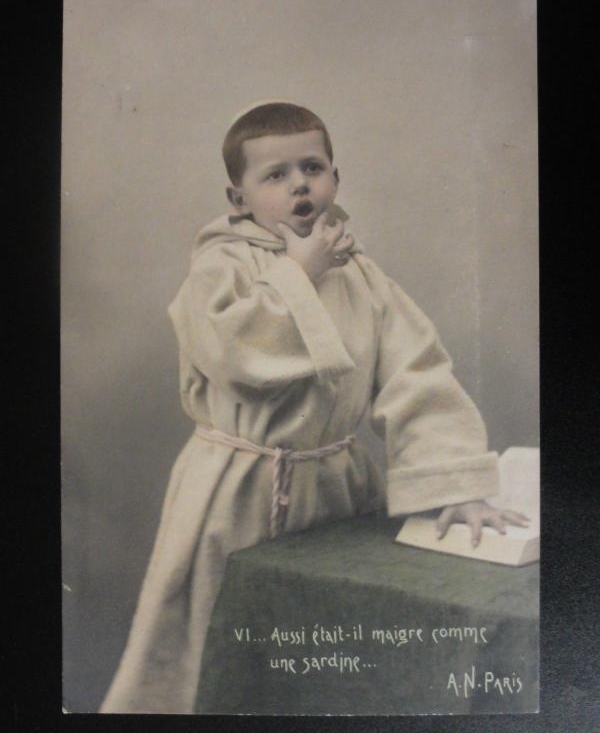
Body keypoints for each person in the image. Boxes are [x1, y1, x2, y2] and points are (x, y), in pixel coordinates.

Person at [100, 101, 529, 714]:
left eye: (312, 167)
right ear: (239, 197)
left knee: (326, 649)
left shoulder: (360, 275)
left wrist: (452, 481)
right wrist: (295, 278)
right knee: (221, 648)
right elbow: (235, 356)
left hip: (335, 488)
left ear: (335, 178)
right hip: (236, 490)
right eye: (275, 175)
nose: (299, 183)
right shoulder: (220, 267)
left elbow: (418, 375)